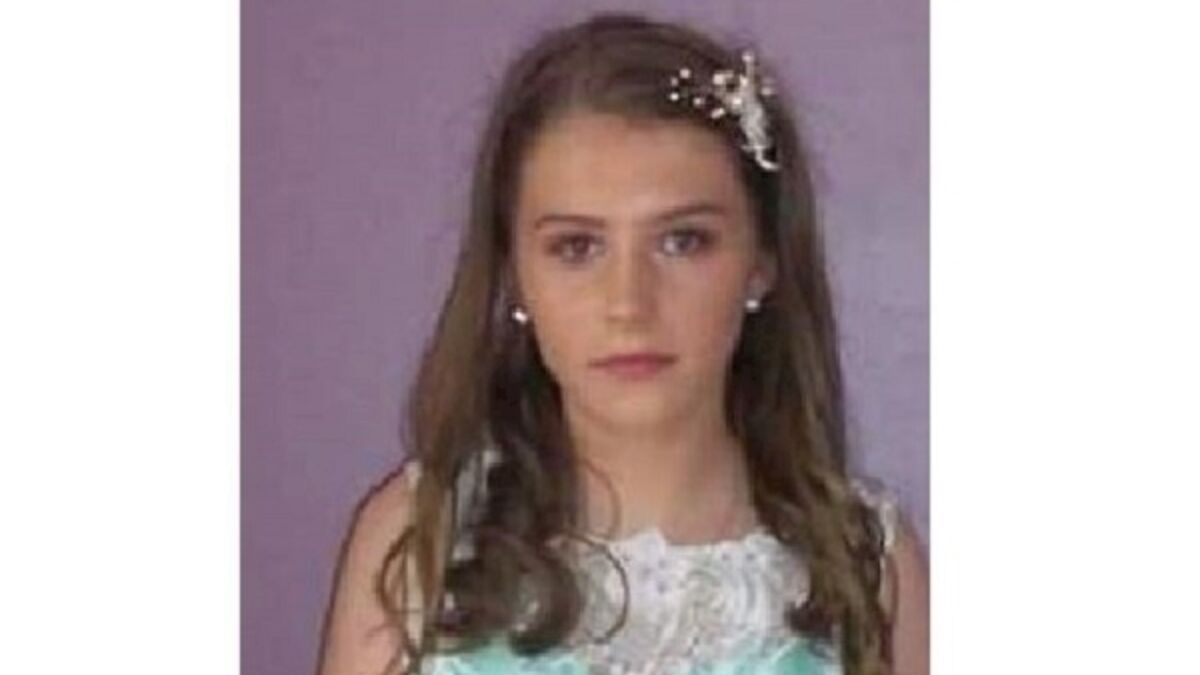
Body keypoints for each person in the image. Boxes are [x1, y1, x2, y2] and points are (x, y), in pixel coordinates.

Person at [318, 12, 928, 675]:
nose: (629, 304)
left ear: (761, 261)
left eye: (682, 241)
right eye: (577, 247)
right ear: (515, 274)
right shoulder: (419, 542)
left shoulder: (867, 567)